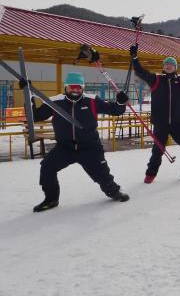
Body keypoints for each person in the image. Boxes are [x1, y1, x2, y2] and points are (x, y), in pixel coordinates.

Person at [24, 72, 130, 212]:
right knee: (47, 167)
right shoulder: (55, 101)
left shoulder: (92, 100)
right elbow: (36, 116)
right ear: (66, 87)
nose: (75, 90)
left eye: (78, 87)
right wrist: (28, 96)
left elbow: (115, 110)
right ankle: (51, 199)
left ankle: (114, 191)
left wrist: (121, 102)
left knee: (102, 174)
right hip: (65, 147)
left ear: (83, 88)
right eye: (72, 87)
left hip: (90, 147)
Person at [130, 44, 180, 183]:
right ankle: (151, 174)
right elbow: (140, 71)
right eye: (166, 64)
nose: (168, 66)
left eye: (171, 64)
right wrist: (134, 57)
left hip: (178, 123)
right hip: (161, 123)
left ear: (175, 68)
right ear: (163, 67)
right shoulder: (156, 80)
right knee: (158, 150)